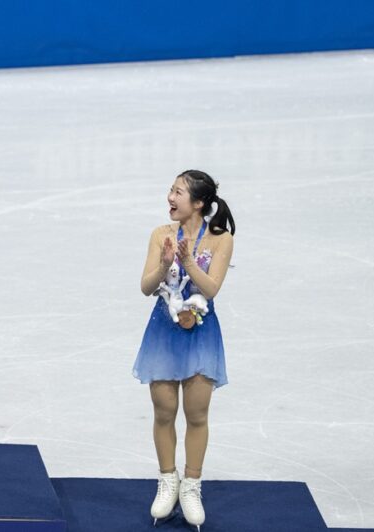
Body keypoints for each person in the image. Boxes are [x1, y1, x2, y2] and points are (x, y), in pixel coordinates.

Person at [133, 170, 235, 530]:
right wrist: (164, 263)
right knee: (163, 411)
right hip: (163, 332)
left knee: (196, 414)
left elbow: (210, 289)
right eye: (170, 190)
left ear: (199, 203)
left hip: (201, 335)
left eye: (177, 192)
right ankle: (168, 480)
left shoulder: (221, 239)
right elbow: (146, 287)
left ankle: (191, 484)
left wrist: (189, 260)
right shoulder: (160, 235)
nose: (170, 197)